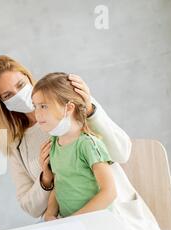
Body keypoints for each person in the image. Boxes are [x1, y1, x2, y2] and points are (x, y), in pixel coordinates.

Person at [0, 55, 169, 230]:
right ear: (1, 103)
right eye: (9, 95)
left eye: (21, 85)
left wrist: (90, 110)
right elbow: (33, 205)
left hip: (112, 220)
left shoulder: (72, 101)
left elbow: (122, 152)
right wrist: (46, 179)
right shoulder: (15, 143)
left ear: (29, 78)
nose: (19, 95)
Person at [32, 72, 116, 221]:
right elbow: (60, 183)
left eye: (43, 106)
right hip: (70, 223)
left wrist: (74, 221)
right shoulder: (54, 144)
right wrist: (50, 214)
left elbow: (109, 192)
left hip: (98, 223)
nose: (37, 113)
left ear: (69, 108)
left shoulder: (88, 144)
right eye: (35, 106)